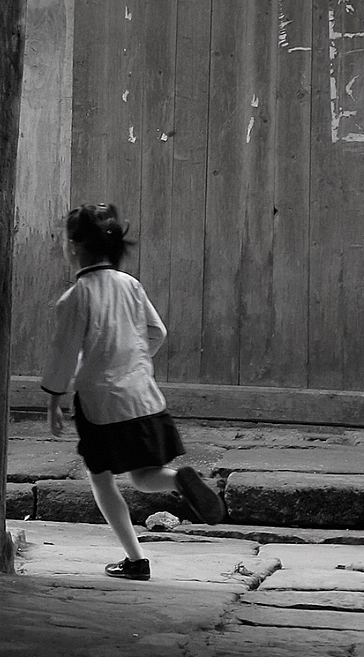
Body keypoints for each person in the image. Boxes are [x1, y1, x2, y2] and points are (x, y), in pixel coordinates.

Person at [40, 203, 225, 579]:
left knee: (101, 478)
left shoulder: (76, 297)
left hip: (101, 406)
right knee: (145, 476)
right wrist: (132, 360)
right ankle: (179, 479)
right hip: (144, 398)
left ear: (73, 247)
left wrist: (54, 401)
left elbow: (62, 356)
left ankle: (136, 559)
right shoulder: (131, 285)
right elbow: (157, 332)